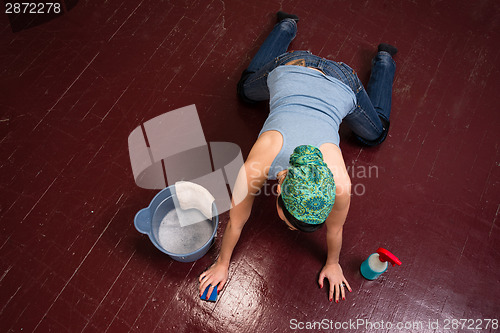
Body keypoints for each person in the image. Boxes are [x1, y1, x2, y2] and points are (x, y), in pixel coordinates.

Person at [199, 11, 397, 303]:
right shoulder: (257, 166)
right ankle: (290, 28)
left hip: (337, 82)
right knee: (245, 89)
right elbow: (235, 222)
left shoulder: (338, 186)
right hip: (293, 68)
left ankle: (292, 26)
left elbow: (335, 228)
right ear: (277, 188)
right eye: (291, 223)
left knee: (377, 133)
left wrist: (333, 263)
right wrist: (221, 263)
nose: (289, 229)